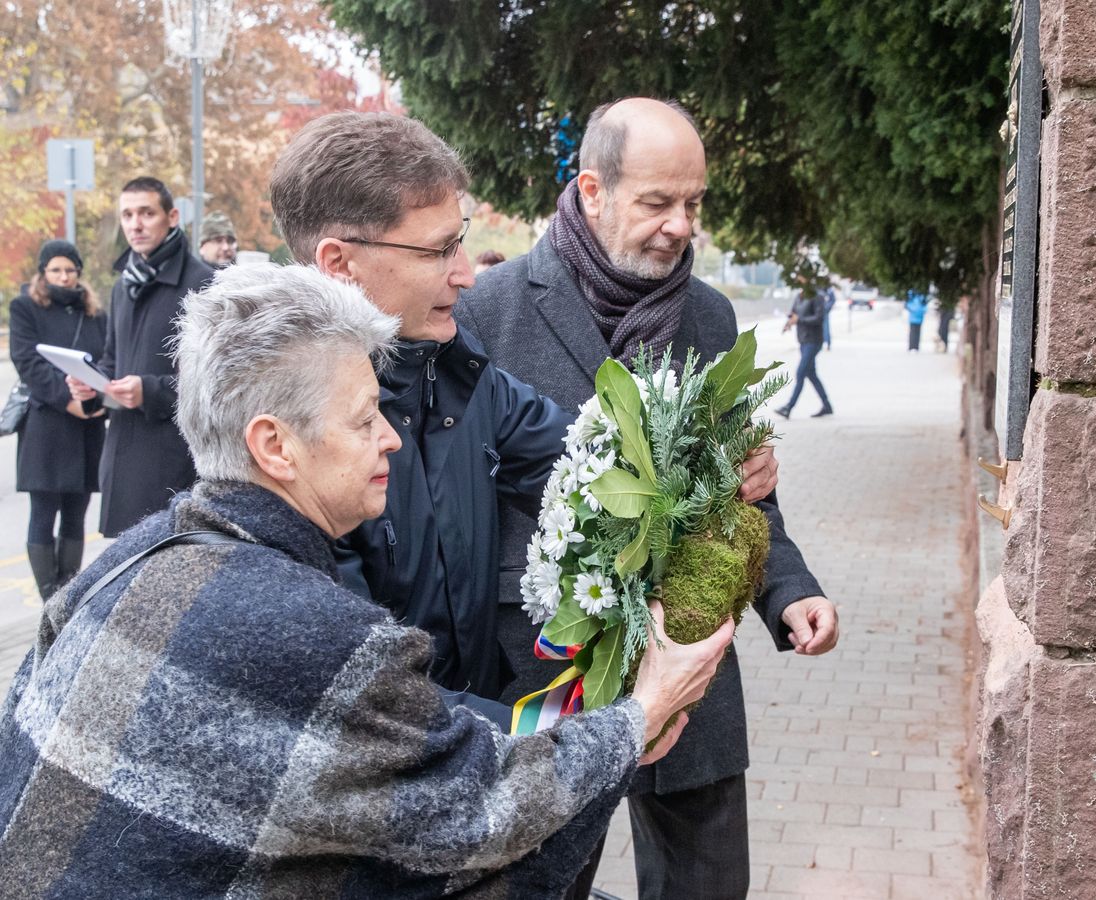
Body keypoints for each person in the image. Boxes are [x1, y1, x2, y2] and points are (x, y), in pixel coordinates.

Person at [0, 263, 734, 897]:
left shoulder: (120, 563)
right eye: (362, 421)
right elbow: (487, 818)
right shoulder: (322, 636)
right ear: (275, 446)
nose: (389, 436)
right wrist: (643, 712)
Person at [267, 113, 778, 716]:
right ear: (338, 261)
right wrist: (612, 730)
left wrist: (717, 467)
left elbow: (594, 467)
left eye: (460, 241)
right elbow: (370, 697)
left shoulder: (458, 373)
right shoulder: (289, 437)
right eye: (438, 250)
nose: (464, 273)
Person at [458, 97, 840, 900]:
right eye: (657, 202)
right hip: (542, 673)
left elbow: (748, 493)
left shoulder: (707, 314)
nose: (679, 226)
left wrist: (790, 591)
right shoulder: (487, 311)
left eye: (693, 204)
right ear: (592, 191)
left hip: (691, 658)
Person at [67, 177, 212, 537]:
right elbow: (114, 360)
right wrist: (92, 383)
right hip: (123, 455)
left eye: (147, 213)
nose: (135, 224)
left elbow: (216, 380)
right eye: (127, 215)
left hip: (178, 461)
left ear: (172, 216)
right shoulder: (123, 286)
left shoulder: (204, 283)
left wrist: (149, 390)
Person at [8, 240, 107, 598]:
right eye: (55, 270)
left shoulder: (94, 312)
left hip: (87, 425)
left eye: (69, 270)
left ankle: (67, 593)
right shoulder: (25, 307)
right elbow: (27, 361)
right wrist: (69, 400)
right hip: (47, 425)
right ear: (43, 273)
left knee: (76, 512)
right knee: (44, 510)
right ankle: (49, 598)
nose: (63, 277)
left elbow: (106, 360)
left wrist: (94, 399)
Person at [776, 289, 835, 419]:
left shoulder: (817, 296)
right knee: (812, 375)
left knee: (800, 373)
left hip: (814, 341)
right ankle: (827, 405)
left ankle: (788, 407)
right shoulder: (799, 296)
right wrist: (789, 322)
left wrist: (799, 319)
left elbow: (819, 318)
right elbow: (794, 314)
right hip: (803, 340)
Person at [822, 284, 836, 350]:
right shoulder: (817, 288)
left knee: (826, 328)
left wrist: (827, 307)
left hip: (824, 312)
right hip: (817, 311)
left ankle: (828, 343)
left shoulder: (829, 290)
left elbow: (832, 300)